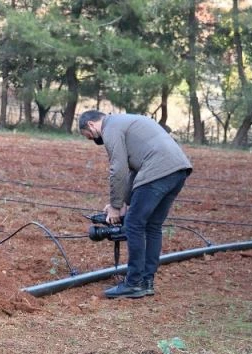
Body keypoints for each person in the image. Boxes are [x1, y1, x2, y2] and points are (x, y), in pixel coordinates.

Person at [79, 110, 192, 298]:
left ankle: (133, 283)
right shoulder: (125, 121)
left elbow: (118, 169)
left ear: (91, 124)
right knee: (152, 226)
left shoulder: (110, 128)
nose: (90, 139)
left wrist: (115, 207)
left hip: (158, 169)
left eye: (88, 135)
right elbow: (133, 170)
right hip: (178, 169)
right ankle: (146, 281)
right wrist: (124, 202)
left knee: (133, 224)